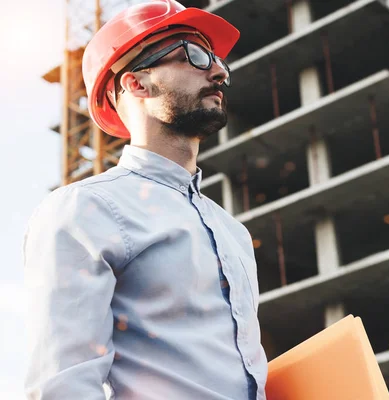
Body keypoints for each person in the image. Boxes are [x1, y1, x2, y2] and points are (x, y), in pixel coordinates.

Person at [22, 1, 268, 399]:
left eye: (218, 60)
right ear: (137, 83)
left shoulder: (233, 231)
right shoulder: (86, 209)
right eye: (195, 54)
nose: (220, 71)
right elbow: (63, 384)